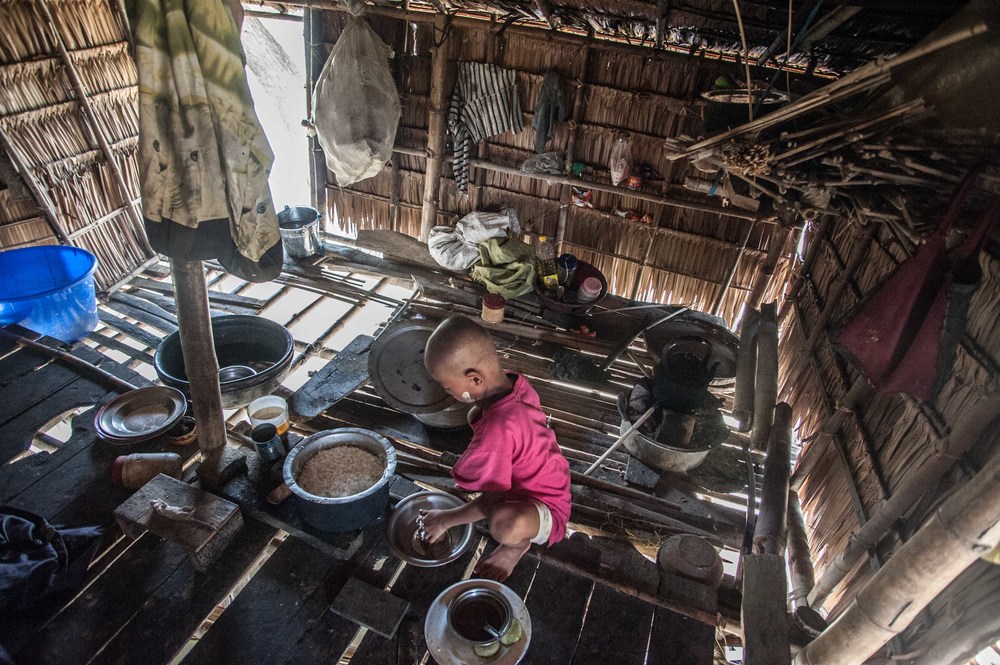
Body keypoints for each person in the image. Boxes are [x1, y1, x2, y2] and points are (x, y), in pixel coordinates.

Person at [419, 315, 572, 581]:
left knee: (503, 524)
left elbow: (491, 501)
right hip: (553, 478)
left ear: (475, 380)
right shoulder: (515, 384)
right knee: (473, 416)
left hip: (546, 509)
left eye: (447, 385)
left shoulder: (499, 428)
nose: (447, 391)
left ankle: (516, 547)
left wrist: (445, 519)